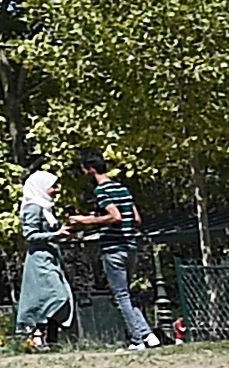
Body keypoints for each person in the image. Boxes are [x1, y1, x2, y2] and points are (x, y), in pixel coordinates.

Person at [71, 142, 161, 350]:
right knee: (127, 293)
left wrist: (85, 221)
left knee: (120, 295)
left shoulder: (101, 191)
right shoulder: (123, 189)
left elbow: (114, 216)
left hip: (114, 249)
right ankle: (148, 335)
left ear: (90, 170)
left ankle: (137, 340)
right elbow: (136, 218)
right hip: (131, 247)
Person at [13, 164, 78, 349]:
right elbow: (30, 235)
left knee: (56, 297)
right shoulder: (33, 207)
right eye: (53, 186)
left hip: (51, 257)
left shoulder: (47, 208)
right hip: (39, 260)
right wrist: (55, 235)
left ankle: (51, 338)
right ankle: (36, 333)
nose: (57, 190)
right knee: (55, 296)